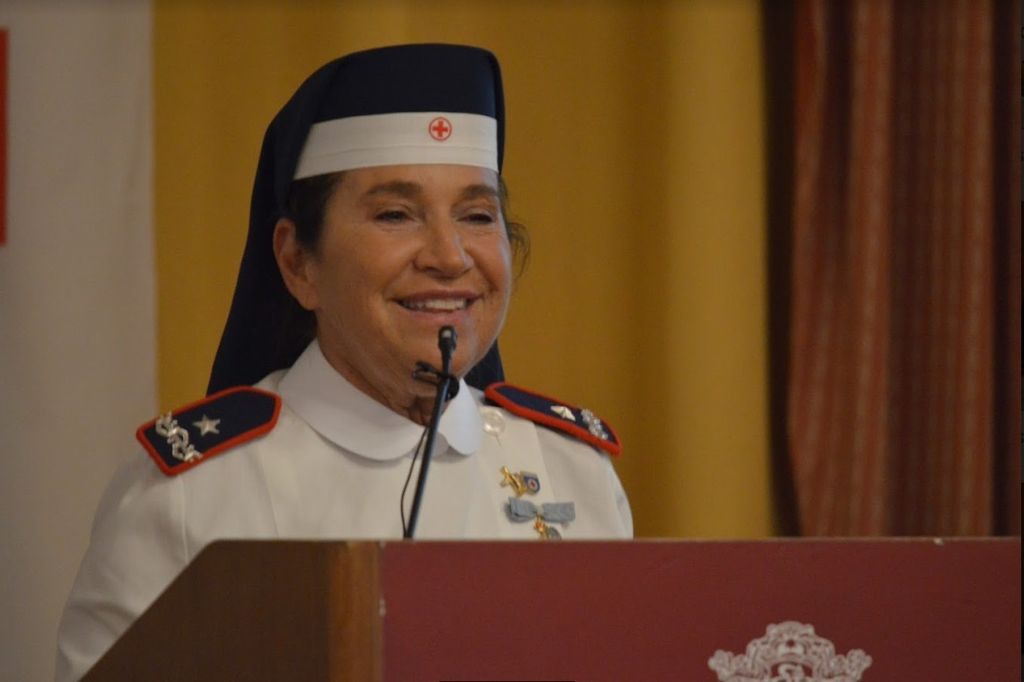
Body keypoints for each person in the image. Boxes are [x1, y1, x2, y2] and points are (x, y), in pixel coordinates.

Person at [55, 44, 632, 681]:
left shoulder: (574, 471)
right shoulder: (187, 499)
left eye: (476, 215)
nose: (449, 256)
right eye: (396, 214)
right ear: (298, 262)